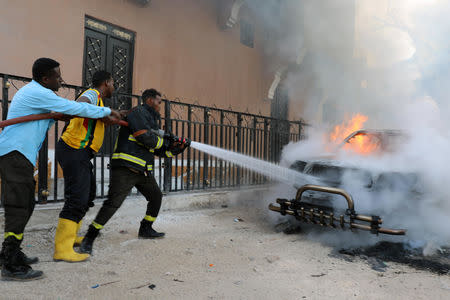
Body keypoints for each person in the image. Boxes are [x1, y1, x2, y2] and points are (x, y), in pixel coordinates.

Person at [0, 58, 121, 281]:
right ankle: (9, 263)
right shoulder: (38, 92)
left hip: (21, 155)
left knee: (26, 203)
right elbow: (73, 106)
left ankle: (12, 251)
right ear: (45, 78)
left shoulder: (43, 95)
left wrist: (97, 115)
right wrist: (105, 112)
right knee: (18, 205)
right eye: (57, 76)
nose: (61, 80)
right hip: (14, 153)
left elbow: (65, 112)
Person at [80, 89, 189, 254]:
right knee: (113, 204)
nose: (160, 105)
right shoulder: (138, 112)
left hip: (143, 170)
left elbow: (158, 150)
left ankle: (146, 228)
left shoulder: (151, 120)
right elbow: (143, 136)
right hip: (126, 168)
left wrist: (176, 148)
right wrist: (165, 142)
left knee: (156, 197)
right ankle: (89, 238)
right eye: (159, 101)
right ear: (150, 100)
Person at [53, 70, 118, 263]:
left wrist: (111, 116)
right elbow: (80, 106)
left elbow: (93, 118)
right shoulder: (91, 94)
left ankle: (71, 237)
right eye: (113, 82)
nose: (114, 86)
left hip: (81, 153)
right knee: (77, 198)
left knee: (88, 194)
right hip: (73, 150)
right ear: (106, 82)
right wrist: (106, 113)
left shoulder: (99, 101)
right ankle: (62, 250)